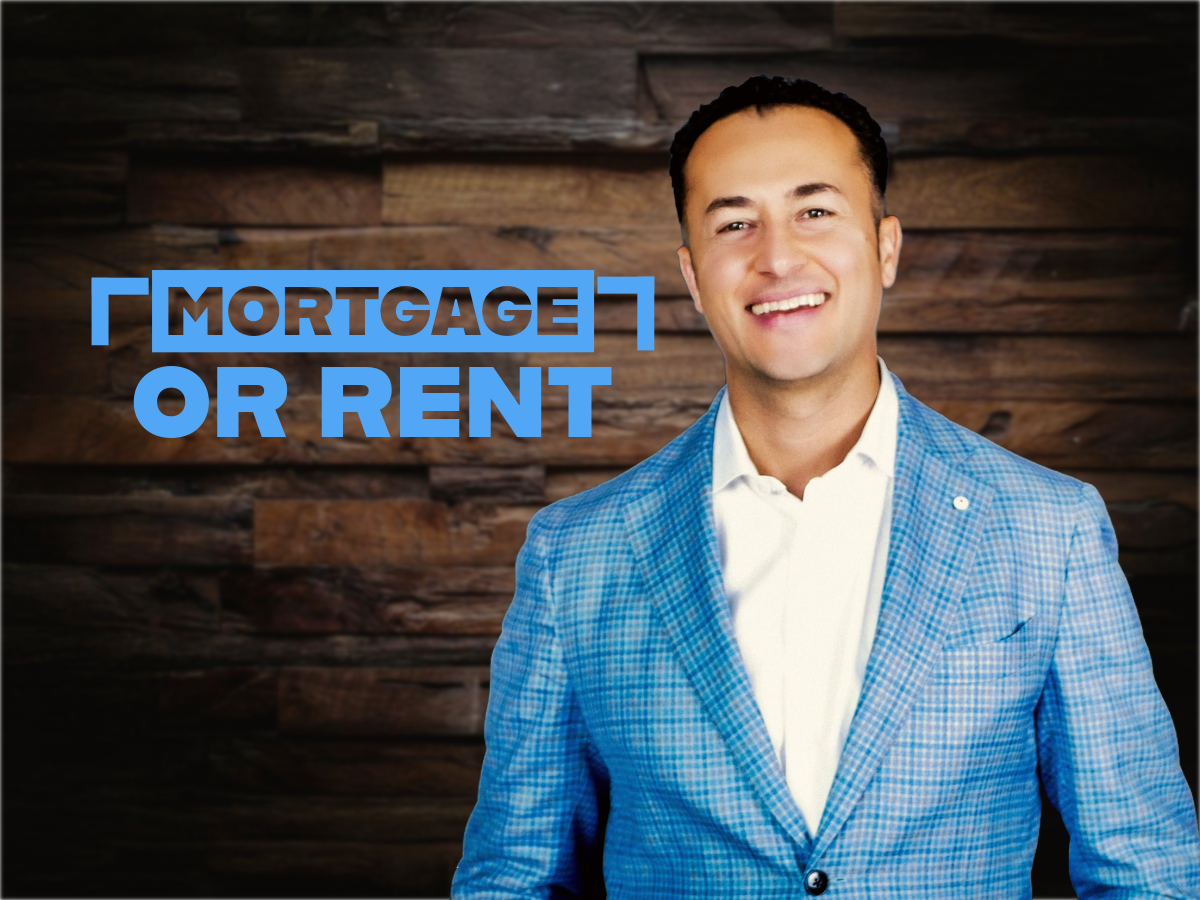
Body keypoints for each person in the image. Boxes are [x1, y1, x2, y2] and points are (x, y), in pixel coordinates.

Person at [452, 75, 1200, 898]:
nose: (776, 257)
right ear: (695, 276)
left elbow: (1147, 872)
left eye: (815, 211)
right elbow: (513, 878)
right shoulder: (576, 554)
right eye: (735, 223)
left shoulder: (1048, 529)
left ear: (884, 247)